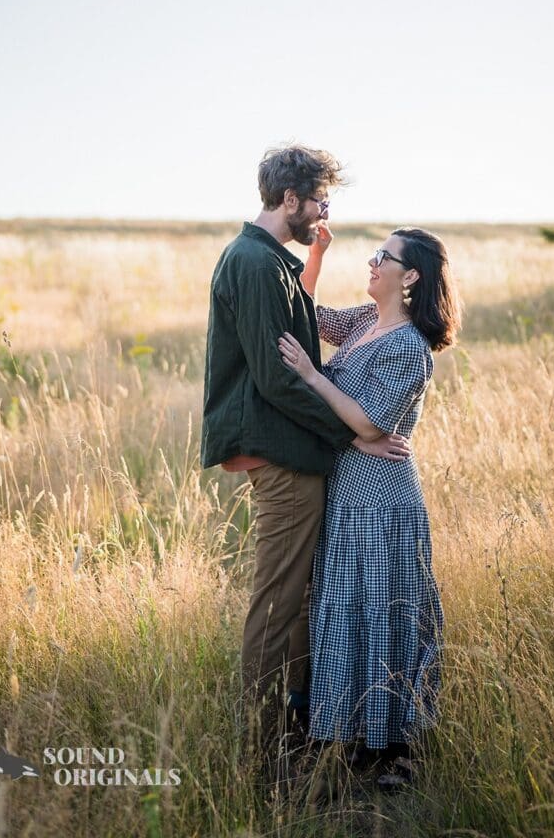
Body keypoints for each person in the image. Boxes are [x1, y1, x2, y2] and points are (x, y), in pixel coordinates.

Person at [200, 146, 411, 771]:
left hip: (294, 453)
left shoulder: (272, 262)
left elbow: (305, 336)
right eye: (318, 200)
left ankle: (298, 733)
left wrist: (316, 257)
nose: (324, 212)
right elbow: (276, 377)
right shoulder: (255, 263)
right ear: (289, 200)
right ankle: (264, 759)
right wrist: (355, 435)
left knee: (297, 607)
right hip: (282, 458)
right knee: (276, 604)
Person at [278, 225, 461, 788]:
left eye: (384, 257)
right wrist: (316, 252)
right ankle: (358, 734)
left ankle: (397, 745)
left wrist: (312, 376)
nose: (373, 261)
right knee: (348, 610)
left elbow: (372, 422)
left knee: (388, 611)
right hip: (349, 486)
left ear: (410, 278)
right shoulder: (361, 323)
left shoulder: (410, 347)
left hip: (382, 499)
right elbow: (304, 312)